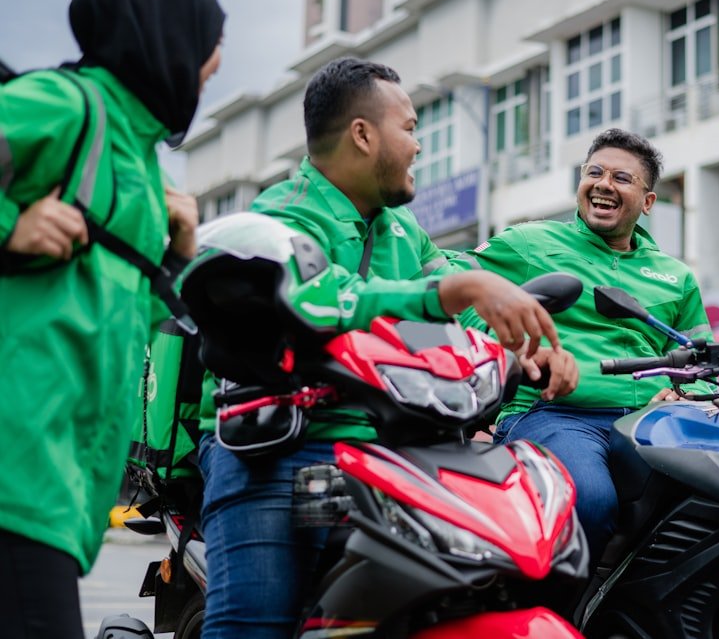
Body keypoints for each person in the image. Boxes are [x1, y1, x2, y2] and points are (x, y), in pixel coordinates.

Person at [197, 57, 575, 639]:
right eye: (411, 127)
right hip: (280, 446)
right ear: (363, 134)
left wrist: (524, 349)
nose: (419, 146)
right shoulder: (286, 213)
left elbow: (459, 304)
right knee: (255, 625)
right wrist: (456, 287)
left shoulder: (402, 230)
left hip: (388, 449)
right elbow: (323, 296)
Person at [0, 0, 224, 638]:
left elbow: (127, 313)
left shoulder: (140, 158)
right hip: (18, 461)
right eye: (206, 41)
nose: (212, 64)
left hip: (63, 476)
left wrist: (177, 254)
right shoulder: (68, 106)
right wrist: (12, 227)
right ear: (162, 36)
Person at [446, 128, 712, 559]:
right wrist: (505, 339)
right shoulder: (530, 242)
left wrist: (686, 391)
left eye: (622, 178)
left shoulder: (676, 275)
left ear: (647, 203)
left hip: (653, 422)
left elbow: (702, 354)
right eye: (595, 173)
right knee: (587, 499)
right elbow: (450, 281)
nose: (605, 184)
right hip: (555, 413)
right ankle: (556, 618)